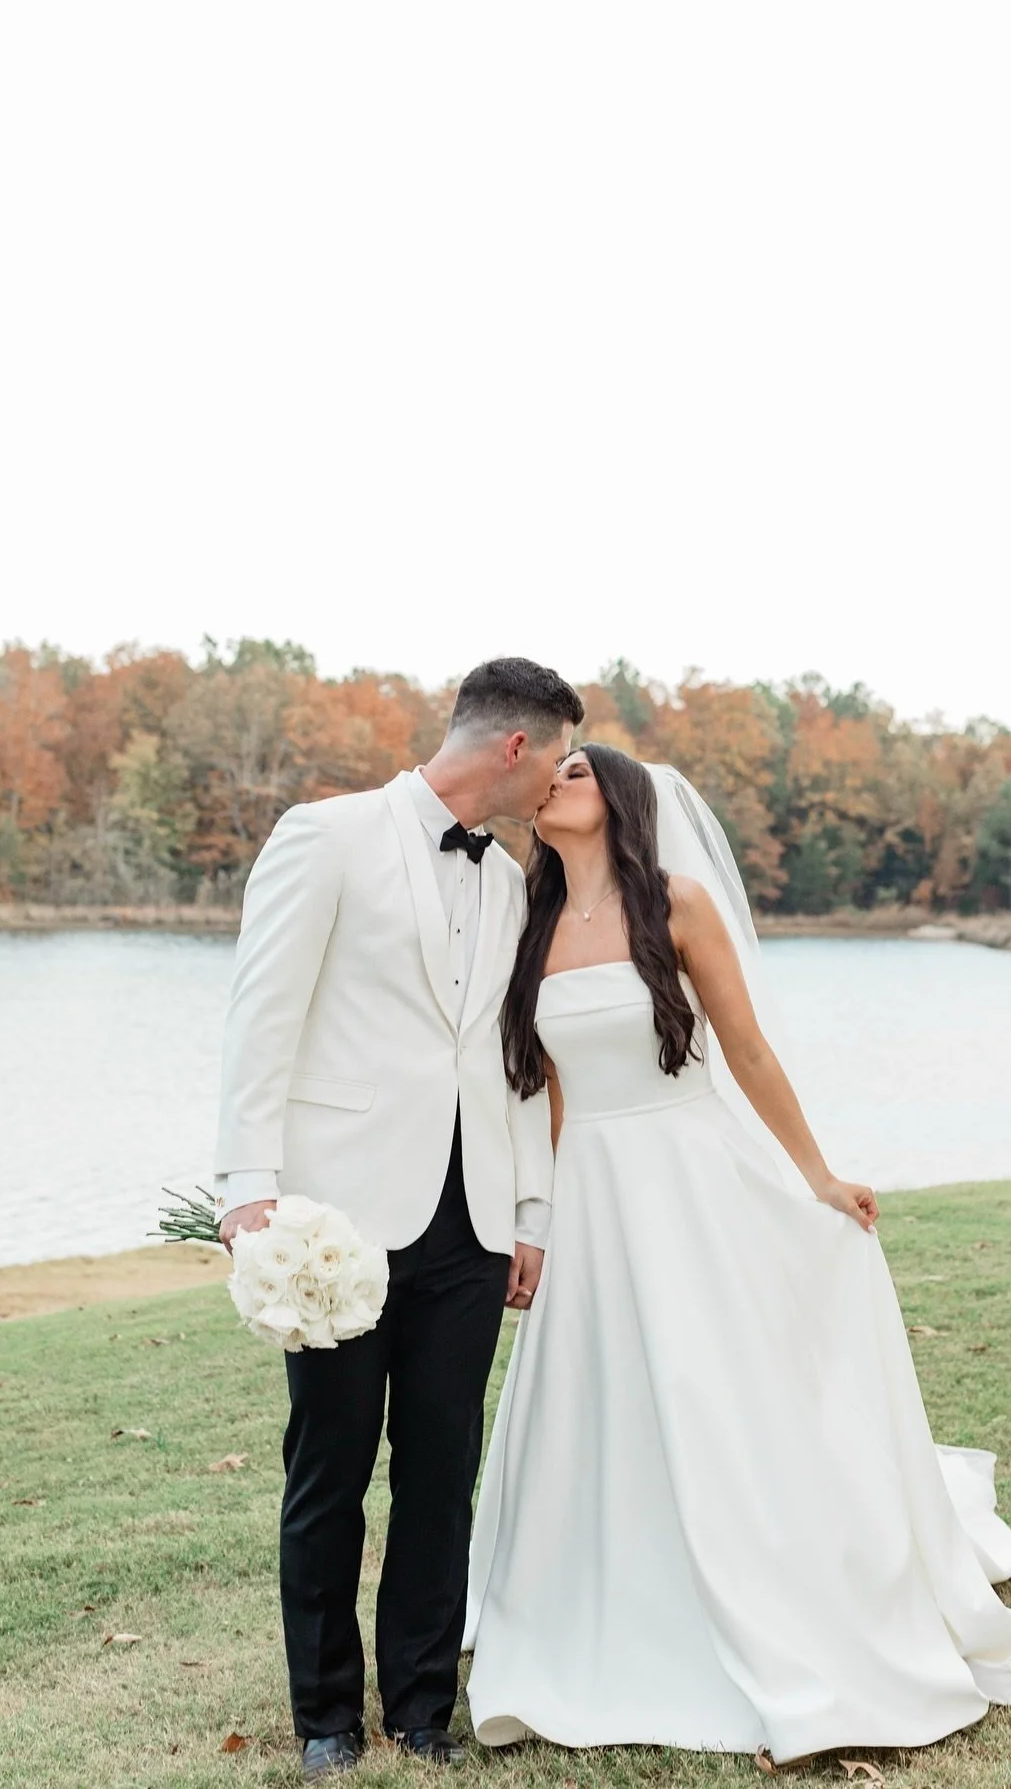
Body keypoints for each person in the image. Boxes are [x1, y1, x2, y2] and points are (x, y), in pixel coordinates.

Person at [464, 744, 1011, 1763]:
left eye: (576, 773)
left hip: (689, 1171)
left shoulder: (676, 903)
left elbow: (748, 1047)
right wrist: (538, 1218)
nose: (553, 783)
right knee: (605, 1391)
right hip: (595, 1190)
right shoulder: (529, 917)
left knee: (708, 1384)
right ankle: (603, 1597)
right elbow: (549, 1092)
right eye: (546, 772)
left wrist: (816, 1174)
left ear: (621, 803)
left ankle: (779, 1607)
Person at [212, 658, 584, 1783]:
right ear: (513, 749)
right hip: (337, 1214)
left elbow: (515, 1062)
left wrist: (528, 1211)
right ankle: (326, 1715)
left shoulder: (516, 880)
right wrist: (246, 1187)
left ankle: (422, 1705)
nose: (564, 778)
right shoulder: (326, 837)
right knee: (329, 1464)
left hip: (469, 1227)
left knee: (440, 1468)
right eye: (560, 756)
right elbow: (259, 1017)